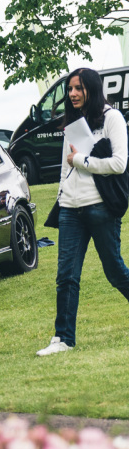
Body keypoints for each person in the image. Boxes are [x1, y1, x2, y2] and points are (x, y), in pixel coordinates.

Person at [37, 67, 129, 356]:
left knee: (114, 271)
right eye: (70, 89)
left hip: (101, 208)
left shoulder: (112, 118)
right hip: (70, 210)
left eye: (78, 88)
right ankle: (63, 339)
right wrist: (62, 196)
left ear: (91, 88)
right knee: (66, 276)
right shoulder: (73, 120)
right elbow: (67, 166)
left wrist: (81, 160)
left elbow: (119, 164)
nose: (73, 94)